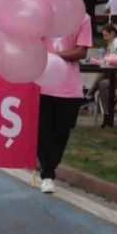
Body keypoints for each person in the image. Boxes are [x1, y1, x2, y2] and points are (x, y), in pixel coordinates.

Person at [37, 13, 91, 194]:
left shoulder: (82, 18)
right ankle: (47, 174)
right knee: (43, 131)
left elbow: (81, 51)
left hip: (69, 87)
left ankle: (49, 167)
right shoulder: (42, 14)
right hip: (42, 85)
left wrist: (53, 56)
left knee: (62, 132)